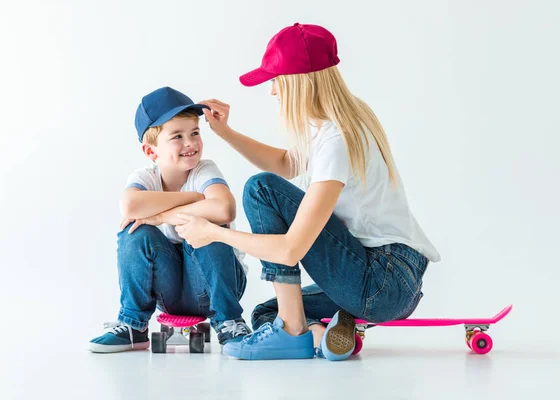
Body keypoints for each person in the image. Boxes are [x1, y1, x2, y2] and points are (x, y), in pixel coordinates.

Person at [175, 23, 441, 361]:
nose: (272, 92)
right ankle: (324, 332)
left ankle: (294, 331)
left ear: (297, 82)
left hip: (382, 280)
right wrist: (226, 132)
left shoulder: (336, 139)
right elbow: (287, 163)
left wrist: (213, 233)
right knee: (265, 313)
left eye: (276, 81)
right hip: (396, 283)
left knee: (261, 190)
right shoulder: (344, 118)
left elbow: (289, 250)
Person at [88, 87, 251, 353]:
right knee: (134, 230)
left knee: (206, 227)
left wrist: (161, 216)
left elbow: (224, 209)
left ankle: (230, 321)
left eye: (195, 133)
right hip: (170, 292)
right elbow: (129, 206)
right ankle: (133, 326)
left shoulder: (204, 170)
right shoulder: (146, 177)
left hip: (217, 288)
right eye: (177, 136)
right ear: (151, 151)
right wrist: (194, 200)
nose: (191, 143)